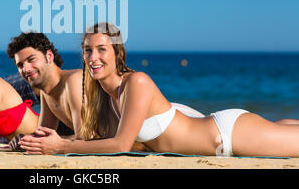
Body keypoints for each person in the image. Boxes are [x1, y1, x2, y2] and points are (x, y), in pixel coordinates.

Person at [19, 22, 299, 157]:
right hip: (220, 131)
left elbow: (121, 145)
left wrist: (62, 146)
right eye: (87, 50)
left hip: (230, 136)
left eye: (101, 49)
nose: (93, 58)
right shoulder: (106, 94)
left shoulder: (136, 82)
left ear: (117, 53)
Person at [6, 32, 84, 138]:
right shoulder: (46, 92)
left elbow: (87, 138)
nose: (26, 69)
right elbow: (43, 136)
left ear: (49, 56)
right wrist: (27, 140)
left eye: (31, 59)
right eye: (20, 65)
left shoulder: (73, 81)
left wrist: (55, 142)